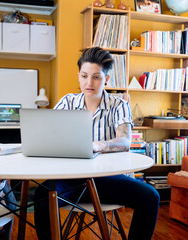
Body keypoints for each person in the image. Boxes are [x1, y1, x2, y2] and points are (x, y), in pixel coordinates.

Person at [33, 47, 160, 240]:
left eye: (96, 77)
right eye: (84, 76)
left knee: (151, 196)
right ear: (79, 76)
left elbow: (125, 141)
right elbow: (48, 134)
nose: (89, 83)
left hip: (108, 181)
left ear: (106, 79)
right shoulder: (67, 102)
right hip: (71, 179)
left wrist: (96, 145)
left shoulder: (119, 105)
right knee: (41, 197)